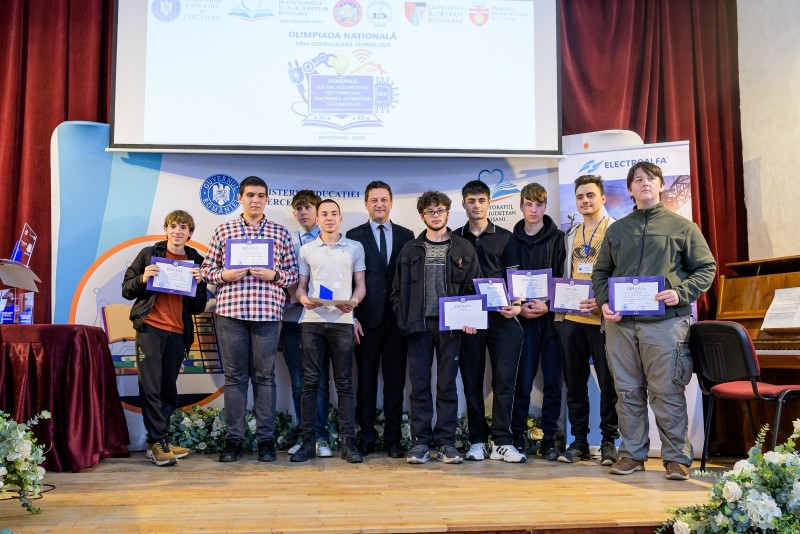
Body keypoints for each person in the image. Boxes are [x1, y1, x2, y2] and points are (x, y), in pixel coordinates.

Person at [592, 161, 716, 480]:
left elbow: (706, 268)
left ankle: (676, 458)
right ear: (630, 190)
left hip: (666, 324)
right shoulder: (616, 230)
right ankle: (632, 454)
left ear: (661, 185)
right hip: (621, 325)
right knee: (627, 391)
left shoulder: (683, 227)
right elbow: (601, 272)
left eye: (650, 178)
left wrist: (680, 292)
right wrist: (604, 302)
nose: (644, 183)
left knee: (667, 391)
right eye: (637, 180)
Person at [201, 176, 299, 463]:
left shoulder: (279, 233)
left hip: (267, 314)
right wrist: (224, 275)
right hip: (231, 313)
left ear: (267, 199)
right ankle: (234, 440)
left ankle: (265, 441)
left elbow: (293, 274)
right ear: (240, 198)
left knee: (265, 377)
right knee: (234, 377)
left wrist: (275, 274)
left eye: (260, 195)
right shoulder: (224, 230)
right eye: (250, 195)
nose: (255, 200)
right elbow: (206, 270)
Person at [392, 191, 481, 464]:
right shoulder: (410, 249)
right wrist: (404, 318)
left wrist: (470, 318)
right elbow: (397, 291)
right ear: (422, 216)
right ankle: (420, 443)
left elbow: (474, 288)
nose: (435, 215)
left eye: (440, 210)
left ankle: (446, 444)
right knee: (419, 386)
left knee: (446, 386)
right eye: (430, 212)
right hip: (417, 327)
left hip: (450, 328)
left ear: (447, 213)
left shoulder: (464, 247)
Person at [122, 210, 208, 466]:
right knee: (150, 386)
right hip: (150, 328)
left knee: (168, 388)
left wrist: (200, 283)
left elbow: (198, 308)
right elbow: (127, 290)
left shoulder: (196, 260)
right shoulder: (149, 254)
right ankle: (159, 441)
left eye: (183, 227)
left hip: (178, 332)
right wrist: (142, 278)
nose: (177, 231)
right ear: (166, 229)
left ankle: (158, 442)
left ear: (190, 233)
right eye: (173, 226)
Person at [456, 180, 526, 463]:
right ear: (463, 203)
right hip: (469, 319)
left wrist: (517, 305)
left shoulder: (506, 237)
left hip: (501, 318)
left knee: (504, 381)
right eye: (471, 200)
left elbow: (515, 277)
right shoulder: (454, 238)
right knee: (471, 382)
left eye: (481, 200)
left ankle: (502, 442)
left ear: (489, 203)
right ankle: (476, 441)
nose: (476, 205)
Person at [291, 199, 366, 463]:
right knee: (310, 383)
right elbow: (301, 287)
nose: (330, 218)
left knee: (344, 383)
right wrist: (303, 299)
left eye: (334, 214)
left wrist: (354, 302)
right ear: (317, 219)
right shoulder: (307, 250)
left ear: (340, 219)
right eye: (324, 214)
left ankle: (348, 443)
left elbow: (361, 285)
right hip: (312, 321)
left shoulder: (355, 248)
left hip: (343, 322)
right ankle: (308, 442)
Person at [554, 175, 619, 465]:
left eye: (590, 195)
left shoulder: (615, 230)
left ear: (602, 198)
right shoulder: (570, 234)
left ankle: (608, 442)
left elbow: (623, 272)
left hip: (603, 319)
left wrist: (605, 300)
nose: (585, 201)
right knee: (575, 382)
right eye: (580, 196)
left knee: (608, 384)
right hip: (571, 317)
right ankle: (579, 441)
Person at [346, 181, 414, 458]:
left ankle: (393, 438)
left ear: (391, 202)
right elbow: (347, 281)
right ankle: (366, 436)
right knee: (366, 382)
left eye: (384, 199)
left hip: (398, 322)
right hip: (365, 321)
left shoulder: (407, 235)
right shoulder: (353, 236)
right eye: (374, 200)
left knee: (395, 383)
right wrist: (351, 316)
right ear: (366, 204)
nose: (379, 204)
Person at [510, 183, 566, 461]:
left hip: (553, 321)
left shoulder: (560, 239)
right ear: (521, 206)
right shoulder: (510, 240)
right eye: (529, 204)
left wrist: (549, 304)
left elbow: (566, 278)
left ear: (545, 206)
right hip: (523, 322)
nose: (534, 210)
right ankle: (517, 439)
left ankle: (550, 441)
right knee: (522, 382)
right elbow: (507, 279)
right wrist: (518, 308)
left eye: (539, 204)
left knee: (554, 383)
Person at [281, 190, 334, 459]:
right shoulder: (287, 241)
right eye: (299, 208)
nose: (304, 212)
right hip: (293, 319)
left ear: (318, 211)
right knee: (299, 381)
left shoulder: (332, 240)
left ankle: (321, 436)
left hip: (322, 320)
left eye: (308, 207)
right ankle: (306, 436)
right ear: (294, 213)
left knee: (320, 380)